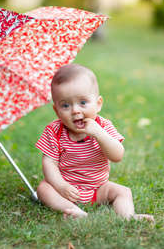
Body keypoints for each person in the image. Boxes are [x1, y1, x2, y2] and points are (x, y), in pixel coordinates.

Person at [36, 64, 154, 221]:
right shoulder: (54, 131)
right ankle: (72, 210)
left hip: (98, 189)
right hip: (66, 188)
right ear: (56, 110)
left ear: (98, 104)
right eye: (65, 105)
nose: (75, 110)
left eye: (83, 102)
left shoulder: (103, 126)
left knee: (123, 192)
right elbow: (49, 163)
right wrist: (61, 186)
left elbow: (117, 155)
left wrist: (99, 134)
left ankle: (128, 217)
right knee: (43, 189)